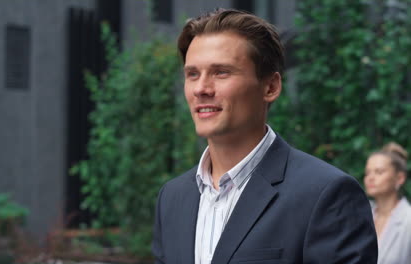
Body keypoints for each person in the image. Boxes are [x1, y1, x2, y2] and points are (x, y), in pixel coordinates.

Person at [152, 8, 377, 264]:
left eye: (221, 72)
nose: (201, 88)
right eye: (193, 74)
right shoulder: (172, 198)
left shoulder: (326, 195)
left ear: (270, 87)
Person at [364, 142, 411, 264]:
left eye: (379, 172)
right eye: (367, 173)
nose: (370, 178)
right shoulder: (363, 214)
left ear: (400, 178)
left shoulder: (408, 220)